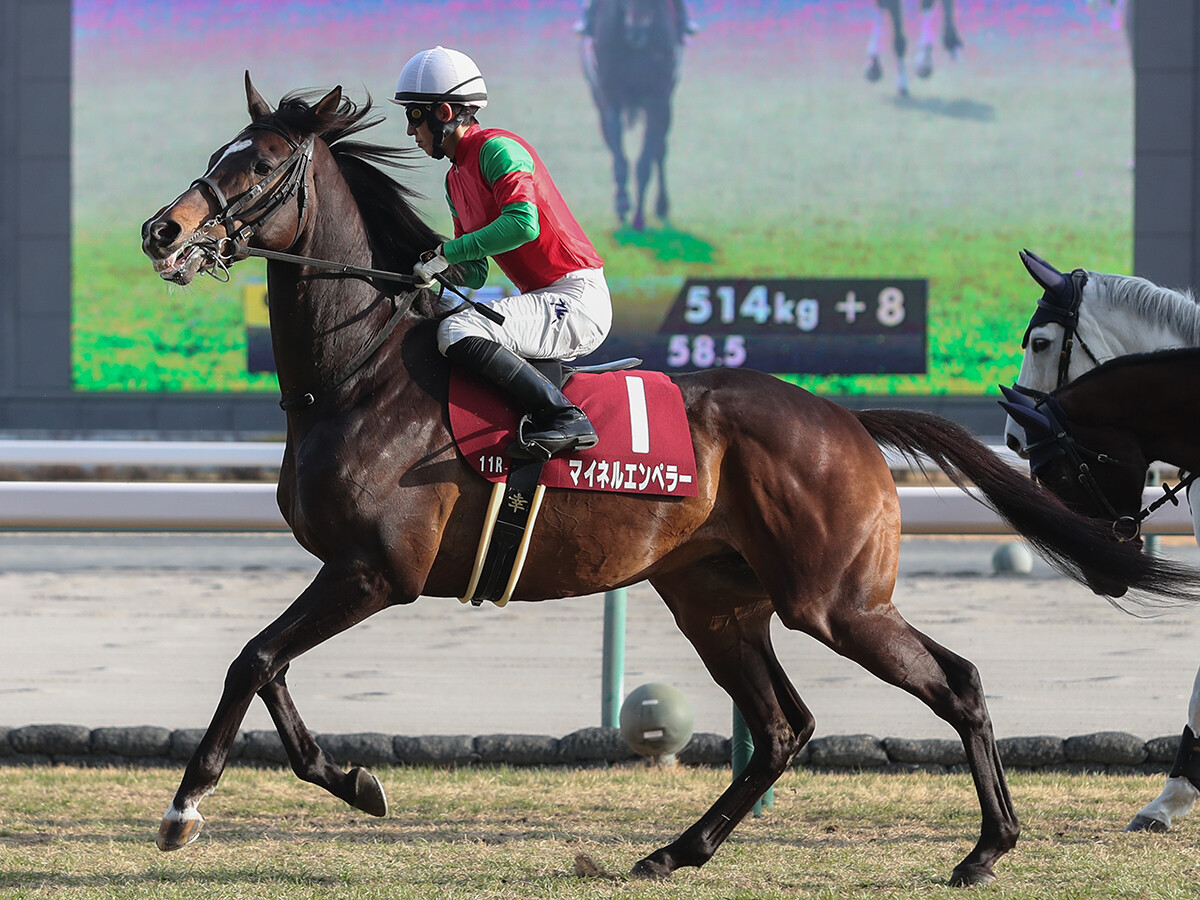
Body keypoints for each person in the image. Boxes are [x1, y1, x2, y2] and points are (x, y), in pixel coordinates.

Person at [393, 46, 612, 461]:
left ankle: (565, 417)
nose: (409, 130)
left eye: (413, 115)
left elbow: (522, 224)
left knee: (457, 331)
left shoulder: (498, 149)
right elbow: (475, 271)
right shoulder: (454, 181)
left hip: (576, 298)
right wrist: (422, 268)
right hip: (547, 299)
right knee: (444, 323)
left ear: (444, 113)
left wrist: (448, 252)